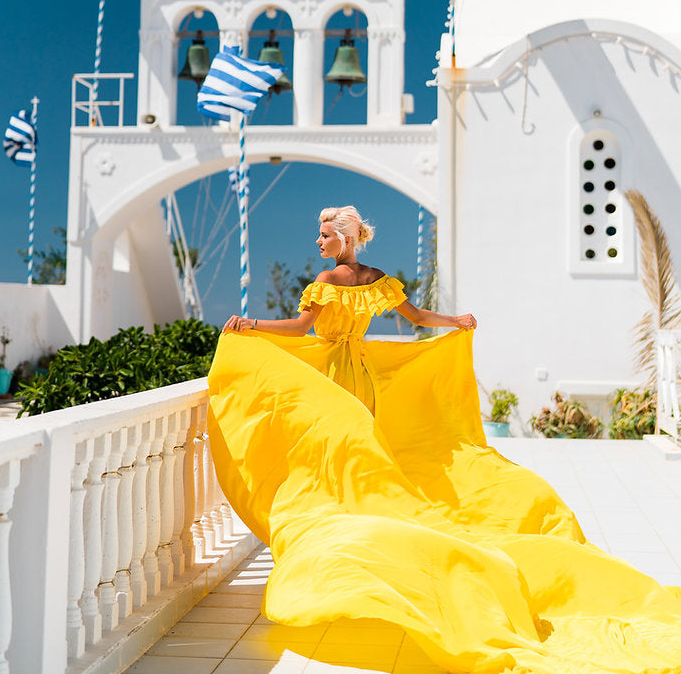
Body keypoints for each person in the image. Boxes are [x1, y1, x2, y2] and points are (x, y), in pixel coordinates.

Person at [208, 206, 681, 673]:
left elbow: (299, 329)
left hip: (333, 376)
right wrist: (453, 322)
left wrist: (250, 326)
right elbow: (417, 318)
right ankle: (357, 523)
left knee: (340, 452)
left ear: (346, 239)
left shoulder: (329, 282)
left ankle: (351, 526)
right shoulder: (378, 279)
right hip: (364, 379)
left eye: (326, 235)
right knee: (352, 451)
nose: (319, 242)